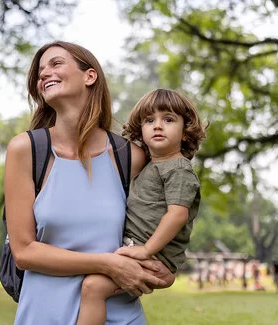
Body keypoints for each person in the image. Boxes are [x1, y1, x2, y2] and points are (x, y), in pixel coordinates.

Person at [5, 41, 175, 325]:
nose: (44, 73)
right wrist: (107, 263)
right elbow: (23, 251)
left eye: (55, 63)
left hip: (119, 315)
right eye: (40, 71)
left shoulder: (130, 156)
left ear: (90, 76)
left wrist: (170, 267)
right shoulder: (26, 150)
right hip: (46, 314)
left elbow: (167, 215)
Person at [77, 88, 206, 325]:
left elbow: (177, 215)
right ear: (141, 130)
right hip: (136, 249)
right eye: (150, 120)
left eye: (168, 119)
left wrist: (146, 251)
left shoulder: (178, 169)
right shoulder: (147, 166)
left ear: (185, 132)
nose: (158, 126)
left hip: (153, 258)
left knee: (92, 287)